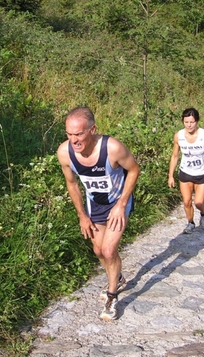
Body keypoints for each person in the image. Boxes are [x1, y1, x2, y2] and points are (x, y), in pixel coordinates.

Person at [57, 107, 140, 321]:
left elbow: (134, 170)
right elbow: (71, 183)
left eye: (79, 134)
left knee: (109, 249)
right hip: (95, 206)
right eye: (69, 134)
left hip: (117, 202)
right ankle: (118, 277)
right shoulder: (64, 152)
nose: (74, 140)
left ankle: (112, 297)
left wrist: (121, 204)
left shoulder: (112, 148)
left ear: (92, 129)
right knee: (98, 250)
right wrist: (82, 216)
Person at [168, 107, 204, 234]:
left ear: (197, 121)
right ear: (183, 121)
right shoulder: (179, 136)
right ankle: (190, 223)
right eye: (186, 122)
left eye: (192, 122)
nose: (189, 125)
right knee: (187, 201)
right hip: (185, 172)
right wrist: (170, 175)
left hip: (202, 172)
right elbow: (175, 156)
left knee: (198, 202)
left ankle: (203, 213)